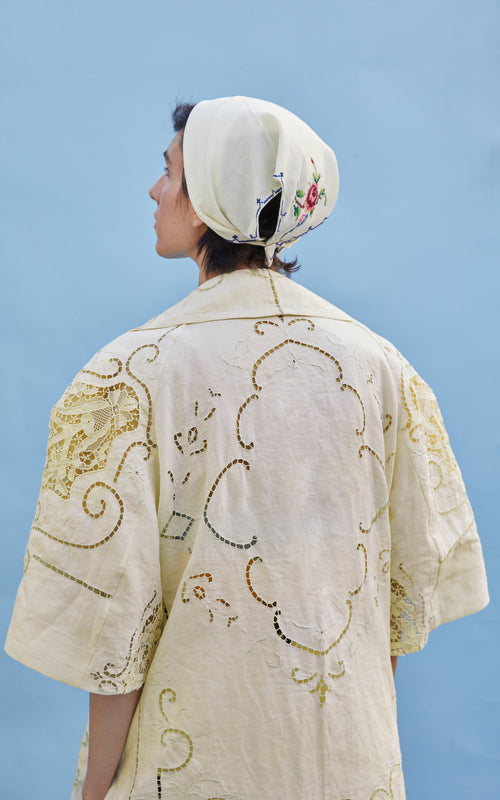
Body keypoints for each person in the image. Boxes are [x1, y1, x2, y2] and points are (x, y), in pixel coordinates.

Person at [5, 96, 489, 800]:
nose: (154, 190)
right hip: (353, 766)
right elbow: (397, 602)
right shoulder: (385, 369)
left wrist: (95, 788)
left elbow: (114, 637)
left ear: (206, 200)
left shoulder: (128, 375)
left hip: (190, 768)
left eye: (170, 172)